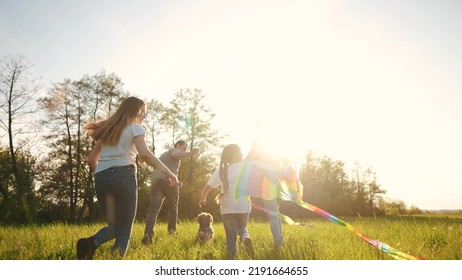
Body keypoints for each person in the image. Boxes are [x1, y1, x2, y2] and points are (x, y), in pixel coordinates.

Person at [77, 96, 178, 260]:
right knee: (124, 230)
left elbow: (91, 160)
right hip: (124, 176)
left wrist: (103, 175)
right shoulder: (135, 128)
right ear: (137, 111)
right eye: (143, 112)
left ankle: (91, 243)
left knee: (115, 226)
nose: (144, 116)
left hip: (101, 177)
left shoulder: (107, 130)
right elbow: (144, 154)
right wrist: (169, 172)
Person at [198, 144, 254, 259]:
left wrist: (203, 198)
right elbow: (254, 150)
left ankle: (232, 258)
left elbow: (208, 186)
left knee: (230, 235)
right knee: (242, 228)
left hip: (227, 207)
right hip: (243, 205)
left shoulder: (221, 171)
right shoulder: (244, 166)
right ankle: (244, 237)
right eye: (240, 151)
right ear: (237, 154)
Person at [142, 140, 199, 245]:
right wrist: (190, 153)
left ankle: (148, 236)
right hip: (169, 184)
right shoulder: (173, 151)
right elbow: (175, 153)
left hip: (156, 182)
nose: (184, 151)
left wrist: (177, 181)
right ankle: (172, 232)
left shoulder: (163, 155)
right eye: (184, 148)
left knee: (153, 210)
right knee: (173, 208)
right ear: (178, 145)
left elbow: (162, 167)